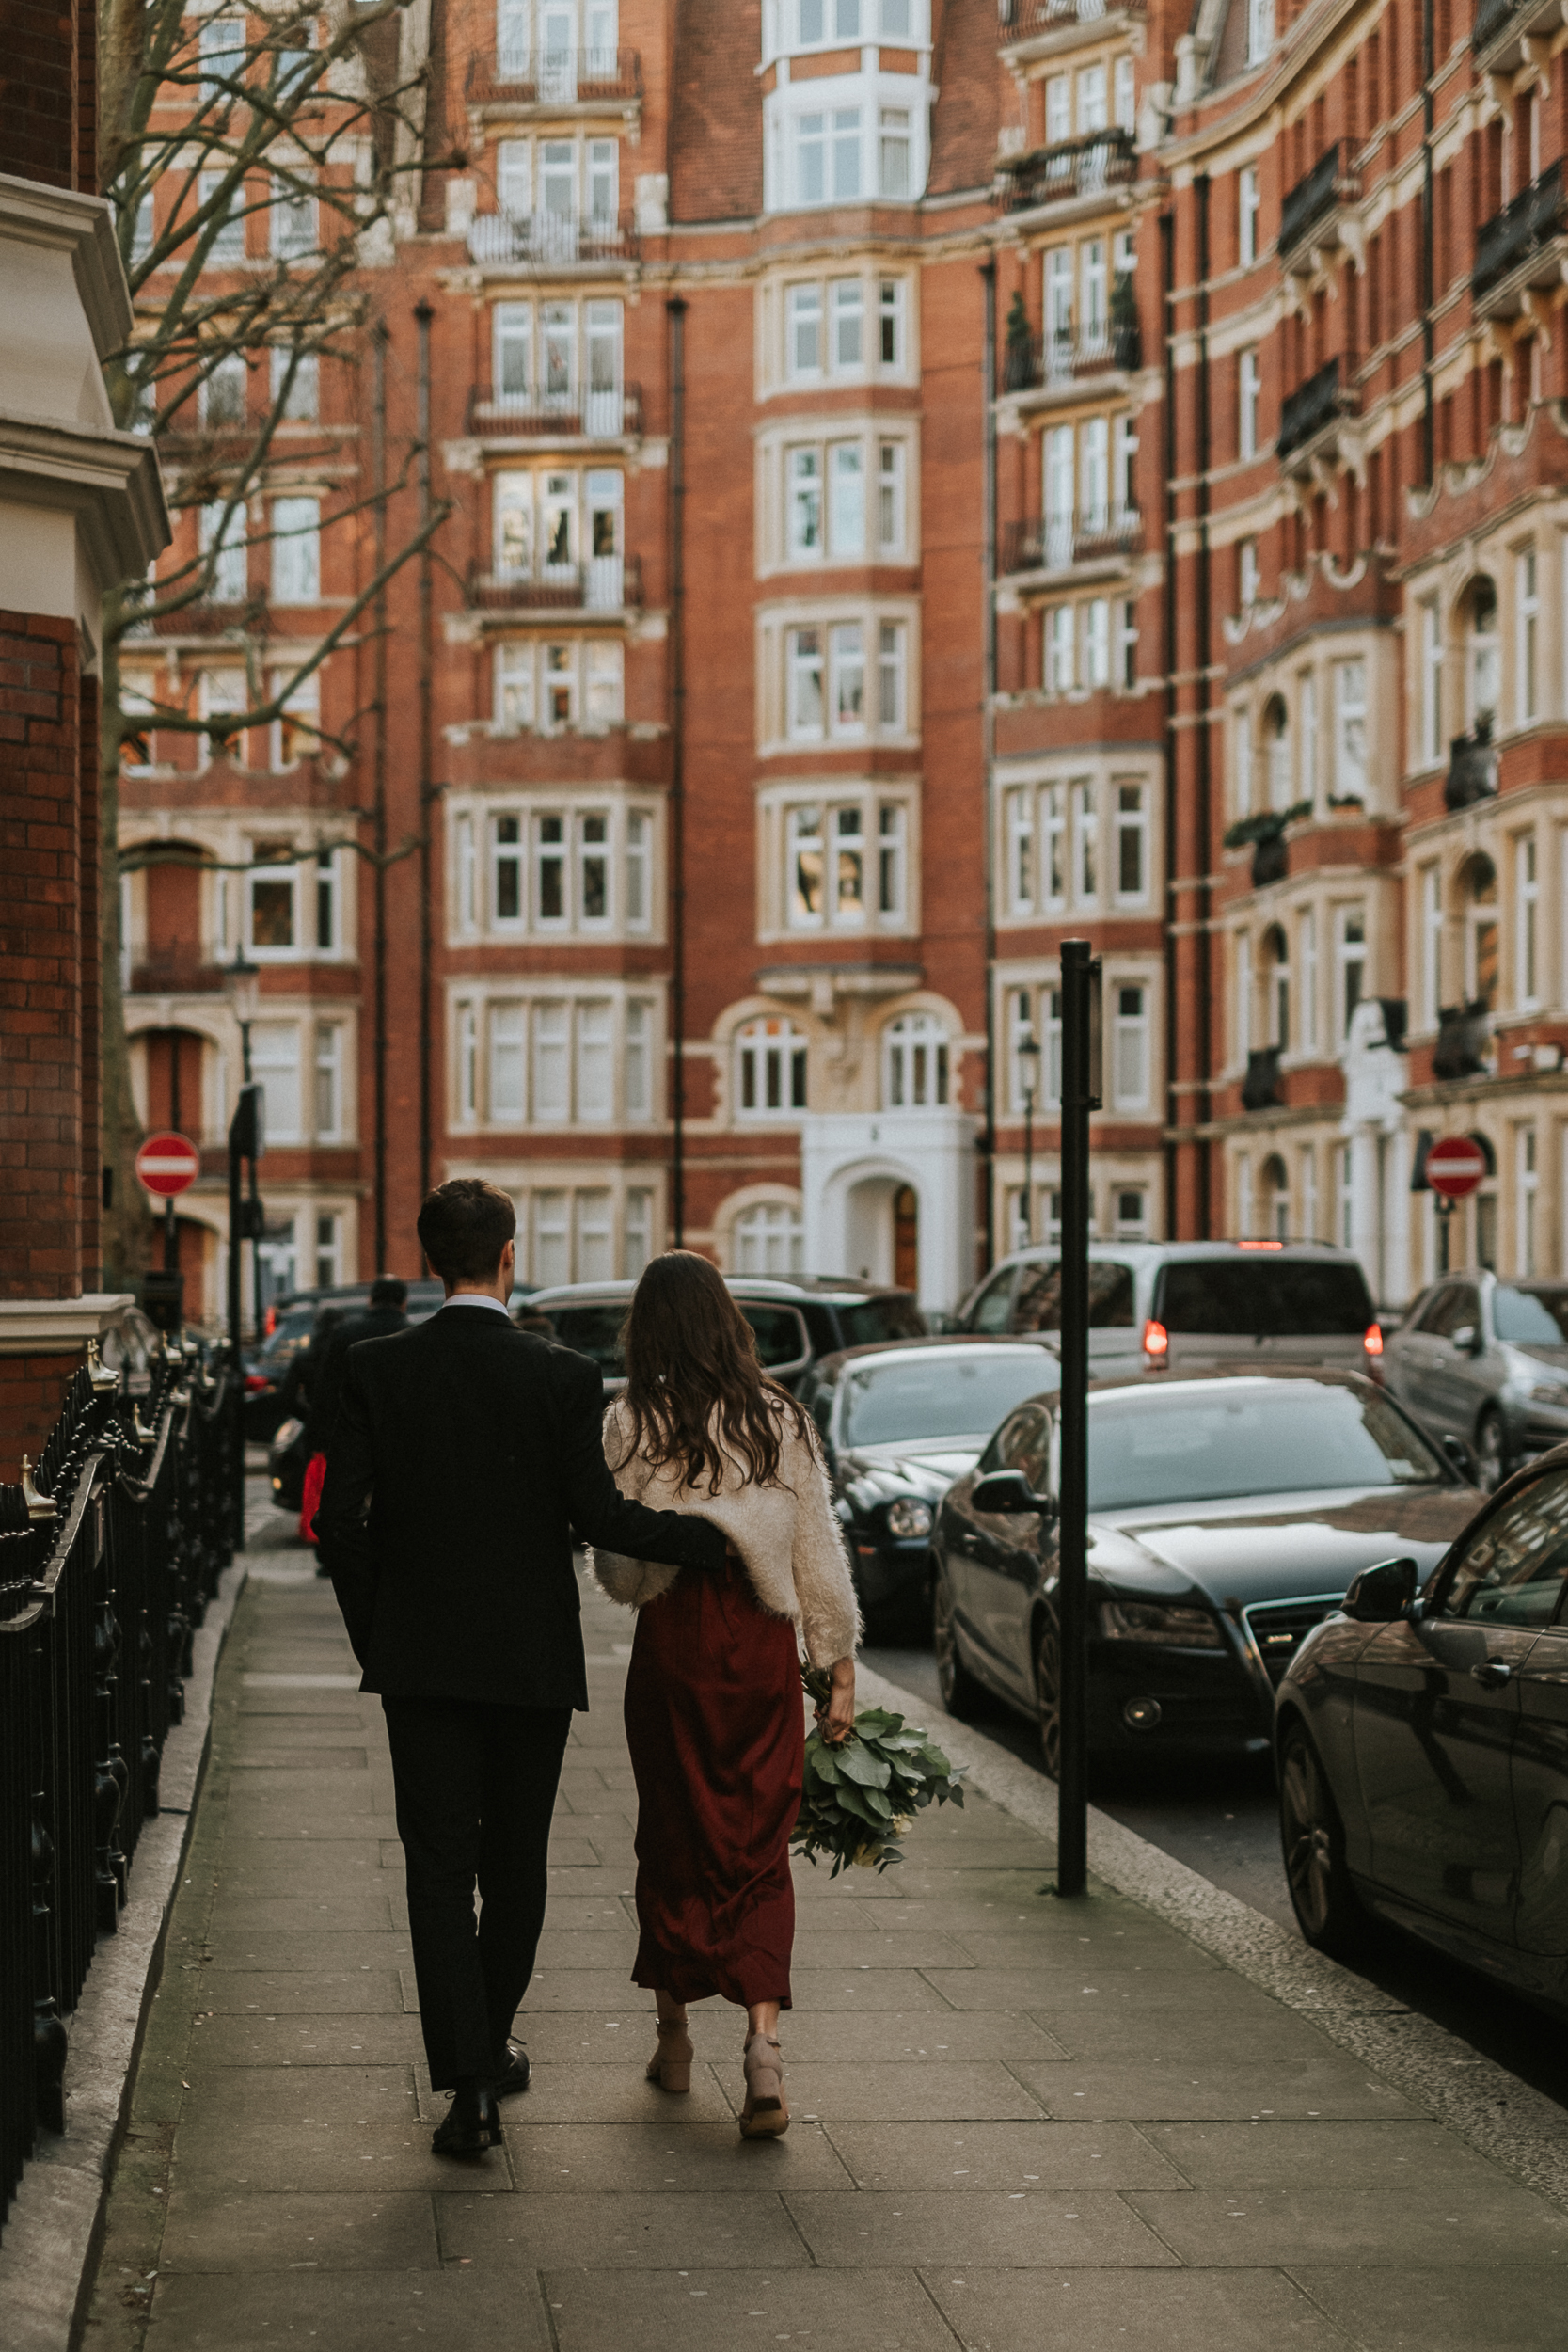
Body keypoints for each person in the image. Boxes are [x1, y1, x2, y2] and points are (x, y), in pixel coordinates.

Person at [315, 1180, 734, 2159]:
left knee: (435, 1867)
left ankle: (470, 2084)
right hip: (530, 1658)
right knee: (514, 1866)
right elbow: (599, 1517)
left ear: (428, 1260)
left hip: (417, 1657)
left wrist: (379, 1634)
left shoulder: (373, 1365)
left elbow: (342, 1522)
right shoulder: (558, 1374)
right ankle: (487, 2046)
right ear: (508, 1256)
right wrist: (719, 1537)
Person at [592, 1252, 861, 2139]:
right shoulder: (778, 1417)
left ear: (647, 1327)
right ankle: (763, 2050)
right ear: (729, 1320)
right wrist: (838, 1667)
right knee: (756, 1837)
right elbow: (815, 1548)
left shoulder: (631, 1421)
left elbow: (623, 1571)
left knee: (673, 1830)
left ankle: (673, 2043)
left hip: (672, 1645)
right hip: (757, 1643)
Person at [300, 1278, 409, 1565]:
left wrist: (316, 1438)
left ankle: (335, 1557)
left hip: (350, 1432)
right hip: (399, 1435)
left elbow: (326, 1390)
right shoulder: (412, 1334)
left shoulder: (346, 1334)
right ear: (404, 1303)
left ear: (370, 1301)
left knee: (345, 1504)